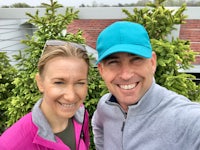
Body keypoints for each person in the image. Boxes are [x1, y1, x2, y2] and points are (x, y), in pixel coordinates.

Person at [92, 21, 200, 150]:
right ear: (101, 70)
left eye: (136, 59)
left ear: (152, 62)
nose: (126, 75)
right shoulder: (105, 106)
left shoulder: (188, 118)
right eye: (113, 62)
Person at [0, 40, 90, 150]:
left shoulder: (81, 115)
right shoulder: (11, 145)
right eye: (59, 82)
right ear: (40, 83)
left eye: (80, 83)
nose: (70, 96)